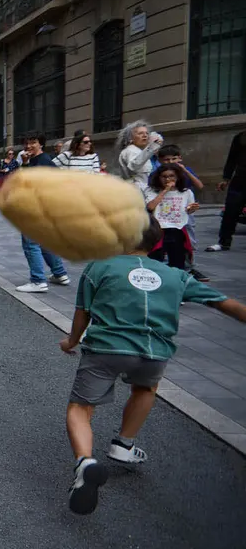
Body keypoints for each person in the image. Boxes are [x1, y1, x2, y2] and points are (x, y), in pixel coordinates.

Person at [60, 216, 246, 515]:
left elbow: (83, 311)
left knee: (80, 408)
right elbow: (225, 303)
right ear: (157, 243)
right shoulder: (176, 275)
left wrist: (71, 341)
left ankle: (86, 462)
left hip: (107, 348)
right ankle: (124, 443)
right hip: (154, 352)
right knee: (146, 387)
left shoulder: (99, 267)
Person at [14, 134, 72, 293]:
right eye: (27, 142)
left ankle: (38, 280)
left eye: (33, 142)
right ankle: (59, 273)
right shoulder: (35, 161)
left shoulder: (44, 162)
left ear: (41, 144)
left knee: (30, 243)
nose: (29, 146)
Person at [156, 145, 210, 281]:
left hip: (184, 210)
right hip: (165, 214)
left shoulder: (185, 171)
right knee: (164, 244)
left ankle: (189, 267)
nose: (171, 162)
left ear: (180, 158)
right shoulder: (160, 173)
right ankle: (164, 266)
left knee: (188, 240)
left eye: (174, 159)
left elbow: (200, 186)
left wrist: (185, 170)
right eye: (167, 160)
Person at [144, 165, 199, 271]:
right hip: (159, 229)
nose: (168, 179)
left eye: (171, 176)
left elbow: (188, 210)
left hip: (177, 229)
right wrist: (165, 190)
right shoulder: (151, 191)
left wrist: (192, 208)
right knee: (155, 259)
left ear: (177, 177)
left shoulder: (186, 192)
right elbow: (150, 207)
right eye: (164, 177)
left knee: (178, 261)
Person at [207, 129, 246, 252]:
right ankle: (224, 242)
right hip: (240, 181)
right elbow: (232, 159)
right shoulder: (241, 137)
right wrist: (226, 178)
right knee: (230, 212)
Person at [117, 120, 163, 192]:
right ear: (130, 138)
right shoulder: (130, 150)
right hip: (136, 192)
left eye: (147, 133)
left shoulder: (141, 151)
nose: (145, 135)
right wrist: (151, 147)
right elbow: (134, 165)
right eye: (140, 133)